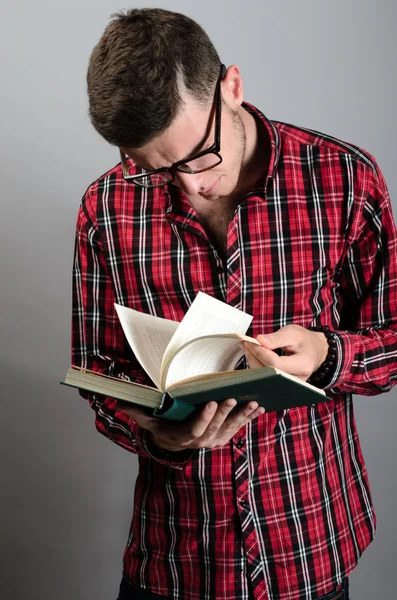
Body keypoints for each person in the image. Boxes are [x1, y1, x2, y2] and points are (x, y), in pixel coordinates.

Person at [72, 8, 397, 600]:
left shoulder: (345, 179)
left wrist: (330, 353)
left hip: (307, 540)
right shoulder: (106, 207)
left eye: (197, 157)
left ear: (232, 88)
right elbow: (98, 371)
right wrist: (155, 435)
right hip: (174, 554)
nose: (190, 186)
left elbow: (395, 338)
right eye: (155, 170)